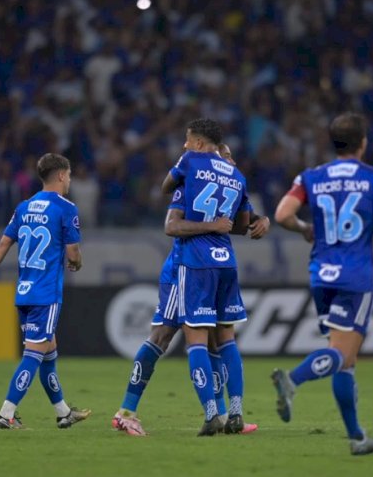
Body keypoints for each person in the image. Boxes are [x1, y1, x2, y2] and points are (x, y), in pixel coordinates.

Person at [111, 144, 268, 436]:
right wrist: (215, 225)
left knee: (212, 341)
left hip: (202, 264)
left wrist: (261, 219)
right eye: (227, 155)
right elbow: (174, 224)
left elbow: (233, 222)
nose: (232, 160)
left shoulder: (224, 181)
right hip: (180, 268)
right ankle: (126, 411)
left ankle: (222, 415)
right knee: (161, 336)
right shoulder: (190, 182)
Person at [272, 112, 373, 456]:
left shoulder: (312, 176)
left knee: (345, 361)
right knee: (341, 354)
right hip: (355, 276)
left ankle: (357, 437)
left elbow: (282, 214)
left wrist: (304, 228)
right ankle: (293, 381)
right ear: (363, 143)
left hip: (321, 275)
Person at [0, 153, 91, 429]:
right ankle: (6, 413)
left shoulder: (24, 207)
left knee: (48, 353)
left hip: (24, 292)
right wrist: (78, 263)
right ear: (61, 175)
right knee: (33, 355)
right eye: (69, 175)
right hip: (46, 294)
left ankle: (63, 413)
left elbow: (2, 245)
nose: (69, 180)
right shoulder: (66, 208)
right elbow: (73, 253)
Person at [155, 118, 253, 436]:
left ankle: (212, 414)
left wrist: (187, 178)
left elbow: (165, 188)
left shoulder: (191, 161)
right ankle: (236, 412)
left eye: (187, 140)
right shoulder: (237, 176)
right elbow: (241, 225)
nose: (184, 145)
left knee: (195, 340)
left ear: (198, 143)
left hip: (196, 262)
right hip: (227, 262)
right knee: (227, 339)